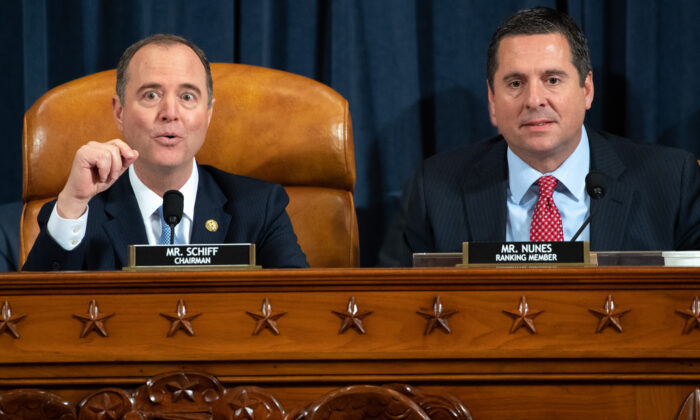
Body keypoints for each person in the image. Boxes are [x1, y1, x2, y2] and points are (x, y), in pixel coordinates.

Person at [379, 7, 700, 267]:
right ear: (492, 101)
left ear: (586, 90)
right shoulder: (434, 189)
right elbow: (393, 312)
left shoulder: (671, 181)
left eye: (553, 79)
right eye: (515, 83)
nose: (534, 99)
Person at [23, 34, 308, 270]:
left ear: (208, 114)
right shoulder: (81, 213)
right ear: (119, 112)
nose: (170, 113)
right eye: (151, 95)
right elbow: (30, 320)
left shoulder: (260, 208)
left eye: (187, 96)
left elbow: (303, 313)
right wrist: (73, 203)